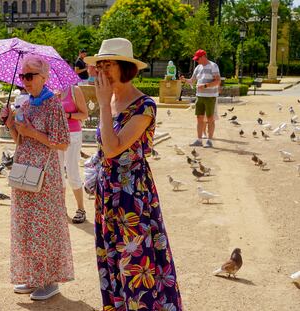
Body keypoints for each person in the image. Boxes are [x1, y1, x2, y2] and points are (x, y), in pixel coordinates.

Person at [84, 37, 183, 310]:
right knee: (112, 259)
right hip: (108, 191)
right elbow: (103, 148)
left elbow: (114, 148)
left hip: (132, 195)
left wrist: (103, 105)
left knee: (138, 263)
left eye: (107, 65)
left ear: (125, 67)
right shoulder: (112, 100)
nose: (101, 71)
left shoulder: (144, 106)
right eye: (99, 65)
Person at [2, 55, 74, 300]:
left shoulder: (53, 103)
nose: (24, 80)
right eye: (22, 76)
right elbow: (20, 141)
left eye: (29, 76)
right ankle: (33, 277)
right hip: (24, 170)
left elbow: (63, 143)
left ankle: (50, 280)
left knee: (45, 227)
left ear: (44, 77)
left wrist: (32, 132)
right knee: (26, 225)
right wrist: (10, 123)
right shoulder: (25, 103)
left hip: (45, 172)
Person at [59, 84, 88, 223]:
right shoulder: (48, 91)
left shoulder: (74, 90)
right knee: (57, 173)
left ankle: (81, 209)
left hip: (73, 134)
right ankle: (61, 208)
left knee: (72, 172)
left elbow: (84, 114)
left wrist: (68, 115)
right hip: (55, 136)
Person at [180, 49, 221, 148]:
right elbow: (192, 81)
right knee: (199, 118)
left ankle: (209, 141)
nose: (196, 61)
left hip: (210, 97)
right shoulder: (198, 67)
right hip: (199, 96)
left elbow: (218, 81)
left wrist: (205, 86)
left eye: (198, 59)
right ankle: (199, 140)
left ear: (203, 57)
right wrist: (185, 80)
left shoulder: (213, 66)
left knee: (210, 119)